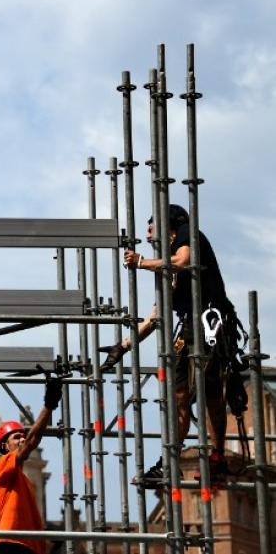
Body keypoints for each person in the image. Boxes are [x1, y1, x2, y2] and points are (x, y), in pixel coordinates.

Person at [100, 204, 236, 479]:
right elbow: (156, 317)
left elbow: (184, 260)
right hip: (189, 326)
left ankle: (217, 456)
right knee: (179, 396)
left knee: (210, 392)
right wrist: (124, 345)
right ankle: (169, 461)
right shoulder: (168, 265)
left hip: (209, 322)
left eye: (151, 227)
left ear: (167, 226)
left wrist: (141, 262)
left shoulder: (188, 234)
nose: (148, 235)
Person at [0, 376, 62, 554]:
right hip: (13, 540)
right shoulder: (1, 465)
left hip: (28, 544)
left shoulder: (23, 481)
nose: (22, 438)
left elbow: (32, 440)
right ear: (5, 446)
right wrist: (49, 405)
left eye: (23, 435)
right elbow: (31, 441)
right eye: (16, 437)